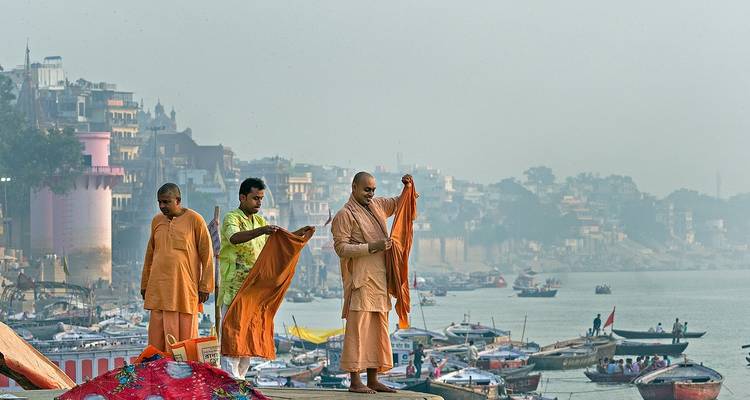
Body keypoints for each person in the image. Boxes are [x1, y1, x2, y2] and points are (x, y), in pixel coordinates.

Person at [219, 178, 313, 379]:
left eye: (261, 198)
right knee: (232, 337)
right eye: (255, 198)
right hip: (234, 290)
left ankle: (241, 382)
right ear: (242, 197)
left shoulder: (260, 221)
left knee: (246, 340)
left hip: (255, 290)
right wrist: (262, 230)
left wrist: (298, 235)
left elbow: (276, 243)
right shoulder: (231, 218)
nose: (259, 203)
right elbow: (234, 237)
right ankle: (229, 383)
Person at [331, 172, 414, 394]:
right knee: (357, 331)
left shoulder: (377, 206)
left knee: (378, 331)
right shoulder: (344, 215)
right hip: (360, 281)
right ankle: (355, 381)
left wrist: (409, 188)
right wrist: (372, 247)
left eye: (373, 190)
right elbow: (341, 248)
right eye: (367, 189)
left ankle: (373, 379)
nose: (371, 194)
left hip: (379, 281)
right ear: (354, 187)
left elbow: (399, 204)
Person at [141, 183, 214, 352]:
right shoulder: (157, 221)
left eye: (166, 202)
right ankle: (160, 374)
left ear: (178, 200)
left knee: (185, 342)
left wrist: (205, 286)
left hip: (184, 290)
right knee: (156, 341)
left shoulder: (195, 220)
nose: (162, 206)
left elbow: (207, 254)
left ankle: (183, 375)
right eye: (159, 202)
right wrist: (145, 284)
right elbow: (150, 254)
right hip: (158, 290)